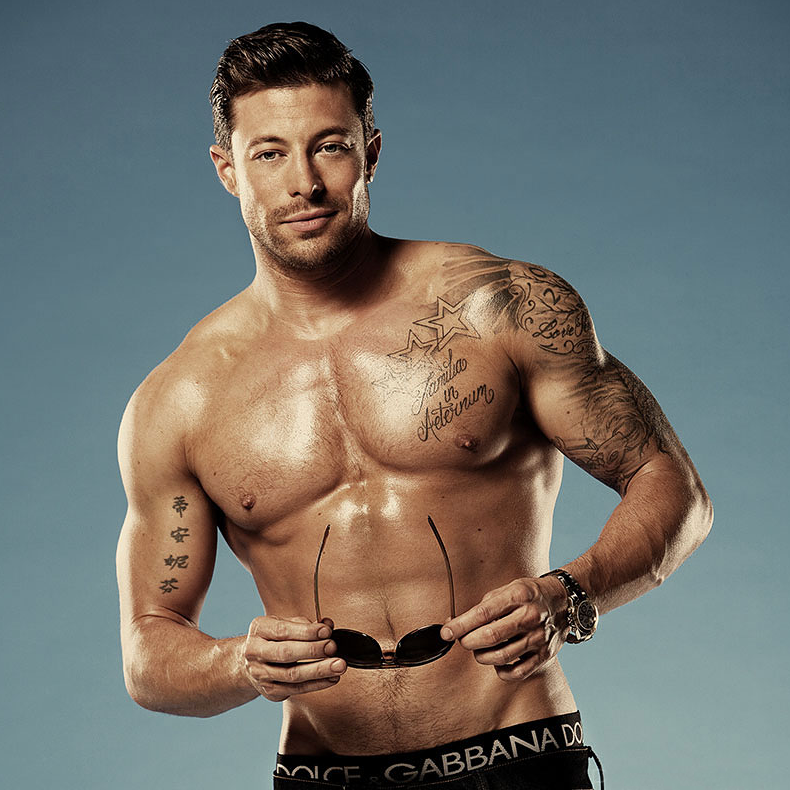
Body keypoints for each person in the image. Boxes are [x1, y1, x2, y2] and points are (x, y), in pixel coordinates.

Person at [116, 21, 712, 790]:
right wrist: (239, 664)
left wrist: (571, 594)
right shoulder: (179, 401)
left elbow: (670, 485)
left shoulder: (500, 307)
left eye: (329, 146)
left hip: (517, 756)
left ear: (371, 151)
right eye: (269, 153)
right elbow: (148, 650)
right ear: (227, 168)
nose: (304, 182)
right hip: (321, 775)